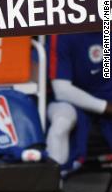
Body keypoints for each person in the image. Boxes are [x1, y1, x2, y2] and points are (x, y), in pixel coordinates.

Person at [46, 32, 112, 172]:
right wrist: (104, 106)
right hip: (71, 100)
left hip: (107, 95)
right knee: (61, 123)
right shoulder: (63, 32)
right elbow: (62, 90)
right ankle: (55, 183)